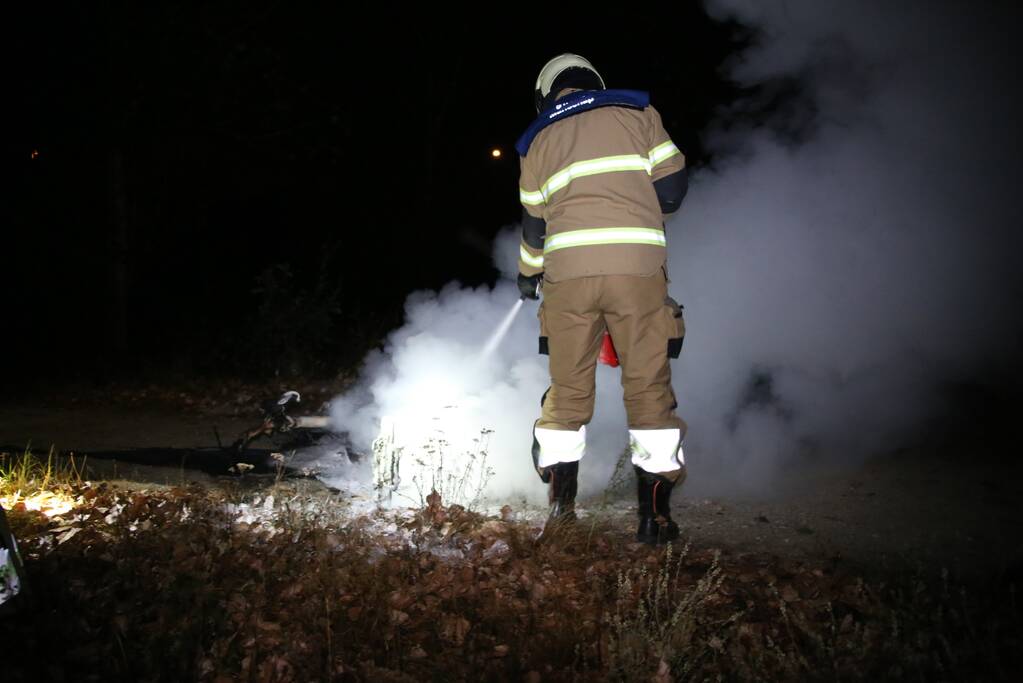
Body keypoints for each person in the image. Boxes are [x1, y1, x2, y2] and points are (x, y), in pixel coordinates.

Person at [515, 54, 689, 544]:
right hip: (636, 272)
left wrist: (528, 275)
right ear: (595, 82)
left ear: (547, 94)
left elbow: (535, 227)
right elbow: (672, 191)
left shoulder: (536, 140)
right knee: (648, 389)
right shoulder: (638, 115)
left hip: (567, 279)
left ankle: (561, 517)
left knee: (566, 394)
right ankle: (654, 520)